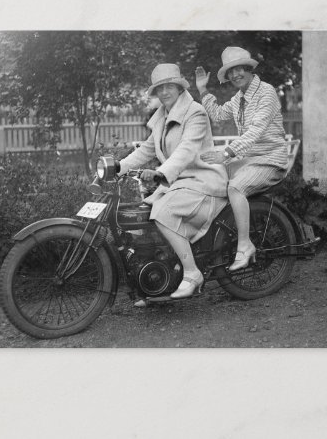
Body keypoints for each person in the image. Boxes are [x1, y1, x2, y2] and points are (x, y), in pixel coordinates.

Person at [119, 63, 228, 300]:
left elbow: (186, 150)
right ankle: (160, 279)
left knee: (163, 212)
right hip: (180, 183)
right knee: (145, 213)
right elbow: (147, 150)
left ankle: (191, 273)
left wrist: (160, 172)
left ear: (179, 88)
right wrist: (119, 167)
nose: (165, 92)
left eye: (170, 86)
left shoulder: (195, 112)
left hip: (203, 181)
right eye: (160, 88)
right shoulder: (162, 118)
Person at [195, 46, 288, 271]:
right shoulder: (239, 98)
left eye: (240, 69)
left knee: (236, 188)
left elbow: (255, 131)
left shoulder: (267, 92)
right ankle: (210, 241)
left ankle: (245, 245)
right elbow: (217, 114)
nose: (236, 75)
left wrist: (225, 154)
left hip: (270, 160)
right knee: (208, 176)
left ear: (249, 68)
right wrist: (203, 90)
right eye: (231, 71)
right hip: (249, 160)